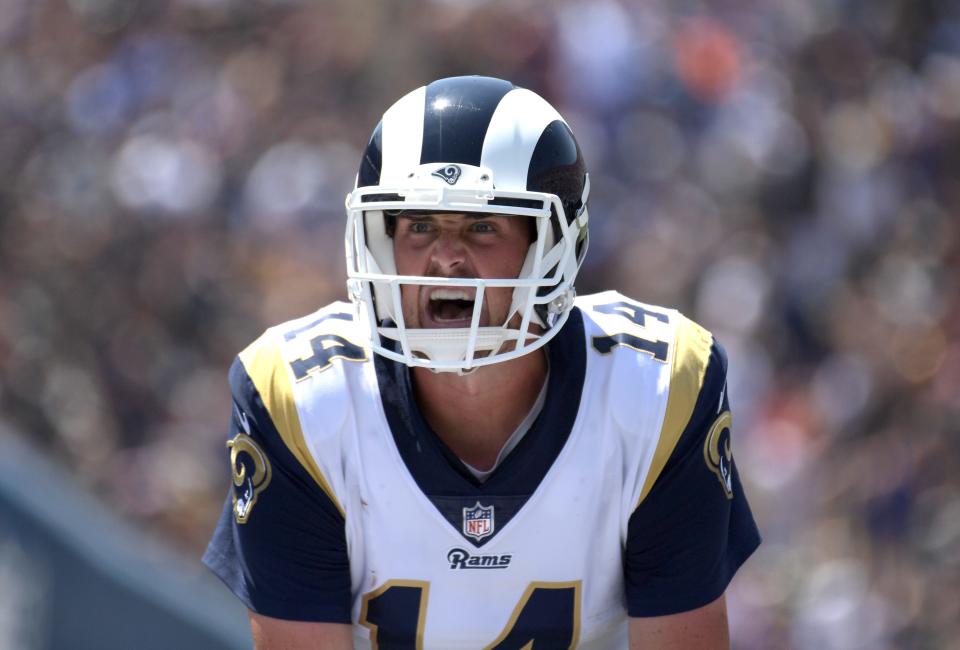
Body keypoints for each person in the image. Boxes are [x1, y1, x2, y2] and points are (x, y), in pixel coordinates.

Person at [203, 75, 760, 649]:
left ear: (552, 245)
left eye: (482, 225)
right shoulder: (297, 399)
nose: (446, 256)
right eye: (419, 225)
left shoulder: (659, 389)